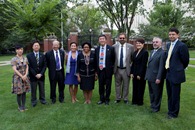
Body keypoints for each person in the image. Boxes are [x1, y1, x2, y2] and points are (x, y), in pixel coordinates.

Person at [165, 27, 189, 119]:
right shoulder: (168, 45)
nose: (171, 36)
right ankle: (170, 110)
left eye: (173, 34)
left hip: (176, 75)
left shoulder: (182, 46)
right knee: (169, 94)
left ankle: (174, 113)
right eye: (170, 34)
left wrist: (179, 68)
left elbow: (185, 60)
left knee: (175, 95)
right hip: (168, 73)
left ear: (177, 35)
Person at [145, 37, 166, 112]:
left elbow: (161, 67)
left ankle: (156, 108)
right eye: (153, 42)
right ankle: (152, 104)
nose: (155, 43)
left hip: (156, 77)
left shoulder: (162, 53)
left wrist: (159, 78)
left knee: (157, 93)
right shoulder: (152, 51)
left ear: (161, 43)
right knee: (151, 92)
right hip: (150, 76)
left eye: (157, 42)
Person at [113, 33, 134, 104]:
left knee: (126, 85)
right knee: (117, 84)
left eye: (123, 38)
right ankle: (118, 98)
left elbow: (133, 58)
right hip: (117, 69)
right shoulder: (114, 46)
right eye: (120, 38)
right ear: (118, 39)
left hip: (126, 69)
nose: (122, 39)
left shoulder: (130, 47)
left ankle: (125, 98)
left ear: (126, 38)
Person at [95, 35, 115, 105]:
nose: (102, 40)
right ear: (99, 41)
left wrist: (112, 70)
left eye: (103, 39)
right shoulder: (97, 49)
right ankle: (101, 99)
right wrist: (96, 72)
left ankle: (107, 99)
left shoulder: (111, 48)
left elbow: (113, 60)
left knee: (108, 86)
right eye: (100, 39)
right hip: (100, 70)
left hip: (108, 70)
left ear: (106, 40)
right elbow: (95, 60)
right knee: (101, 86)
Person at [27, 41, 47, 107]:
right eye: (35, 45)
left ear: (39, 47)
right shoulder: (29, 56)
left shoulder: (43, 55)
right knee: (33, 89)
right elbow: (29, 67)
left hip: (41, 76)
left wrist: (40, 74)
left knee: (42, 89)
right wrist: (35, 74)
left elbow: (45, 65)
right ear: (32, 47)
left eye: (37, 45)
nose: (36, 46)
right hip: (33, 76)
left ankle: (42, 99)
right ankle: (33, 101)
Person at [11, 44, 30, 112]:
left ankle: (24, 106)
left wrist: (25, 75)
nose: (20, 51)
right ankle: (20, 107)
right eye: (19, 49)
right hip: (18, 78)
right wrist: (22, 76)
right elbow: (15, 69)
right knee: (19, 93)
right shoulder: (14, 59)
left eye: (21, 49)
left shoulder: (25, 58)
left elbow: (27, 66)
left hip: (25, 77)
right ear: (16, 50)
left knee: (24, 92)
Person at [130, 38, 148, 106]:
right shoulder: (135, 52)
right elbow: (133, 63)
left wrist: (139, 74)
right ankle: (134, 101)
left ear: (143, 44)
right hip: (134, 73)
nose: (138, 44)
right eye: (137, 43)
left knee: (140, 88)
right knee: (135, 87)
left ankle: (140, 102)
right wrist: (131, 73)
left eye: (140, 43)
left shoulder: (145, 52)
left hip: (141, 73)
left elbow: (143, 64)